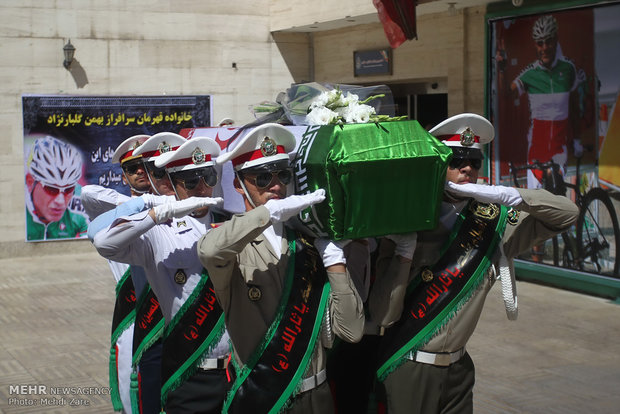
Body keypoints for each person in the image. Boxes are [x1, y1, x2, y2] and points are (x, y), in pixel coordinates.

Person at [369, 113, 579, 414]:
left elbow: (568, 213)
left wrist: (509, 195)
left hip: (460, 369)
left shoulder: (495, 223)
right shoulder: (405, 220)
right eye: (455, 160)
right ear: (437, 164)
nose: (467, 168)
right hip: (409, 361)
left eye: (474, 161)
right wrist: (404, 250)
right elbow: (383, 314)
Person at [197, 123, 365, 414]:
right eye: (262, 178)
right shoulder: (230, 243)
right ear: (239, 185)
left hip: (318, 395)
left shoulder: (308, 243)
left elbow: (351, 330)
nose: (275, 186)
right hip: (265, 397)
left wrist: (335, 260)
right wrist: (269, 212)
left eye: (282, 175)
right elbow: (209, 250)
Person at [91, 136, 231, 414]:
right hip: (181, 357)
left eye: (207, 176)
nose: (201, 187)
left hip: (232, 370)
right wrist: (153, 209)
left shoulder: (227, 222)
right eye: (190, 181)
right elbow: (100, 236)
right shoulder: (156, 228)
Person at [81, 134, 165, 414]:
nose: (140, 172)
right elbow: (88, 194)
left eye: (145, 164)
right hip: (136, 318)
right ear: (124, 175)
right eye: (132, 168)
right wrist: (143, 203)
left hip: (175, 313)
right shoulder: (116, 212)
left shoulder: (173, 207)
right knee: (137, 399)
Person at [497, 14, 586, 189]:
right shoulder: (530, 73)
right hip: (536, 149)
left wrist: (576, 140)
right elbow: (507, 93)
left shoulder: (568, 69)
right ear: (535, 45)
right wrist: (502, 69)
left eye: (549, 41)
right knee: (536, 206)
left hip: (559, 149)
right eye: (540, 43)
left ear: (556, 40)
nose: (544, 48)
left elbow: (575, 106)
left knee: (556, 192)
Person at [25, 135, 88, 241]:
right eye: (51, 189)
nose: (61, 201)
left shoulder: (81, 207)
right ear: (30, 183)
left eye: (68, 189)